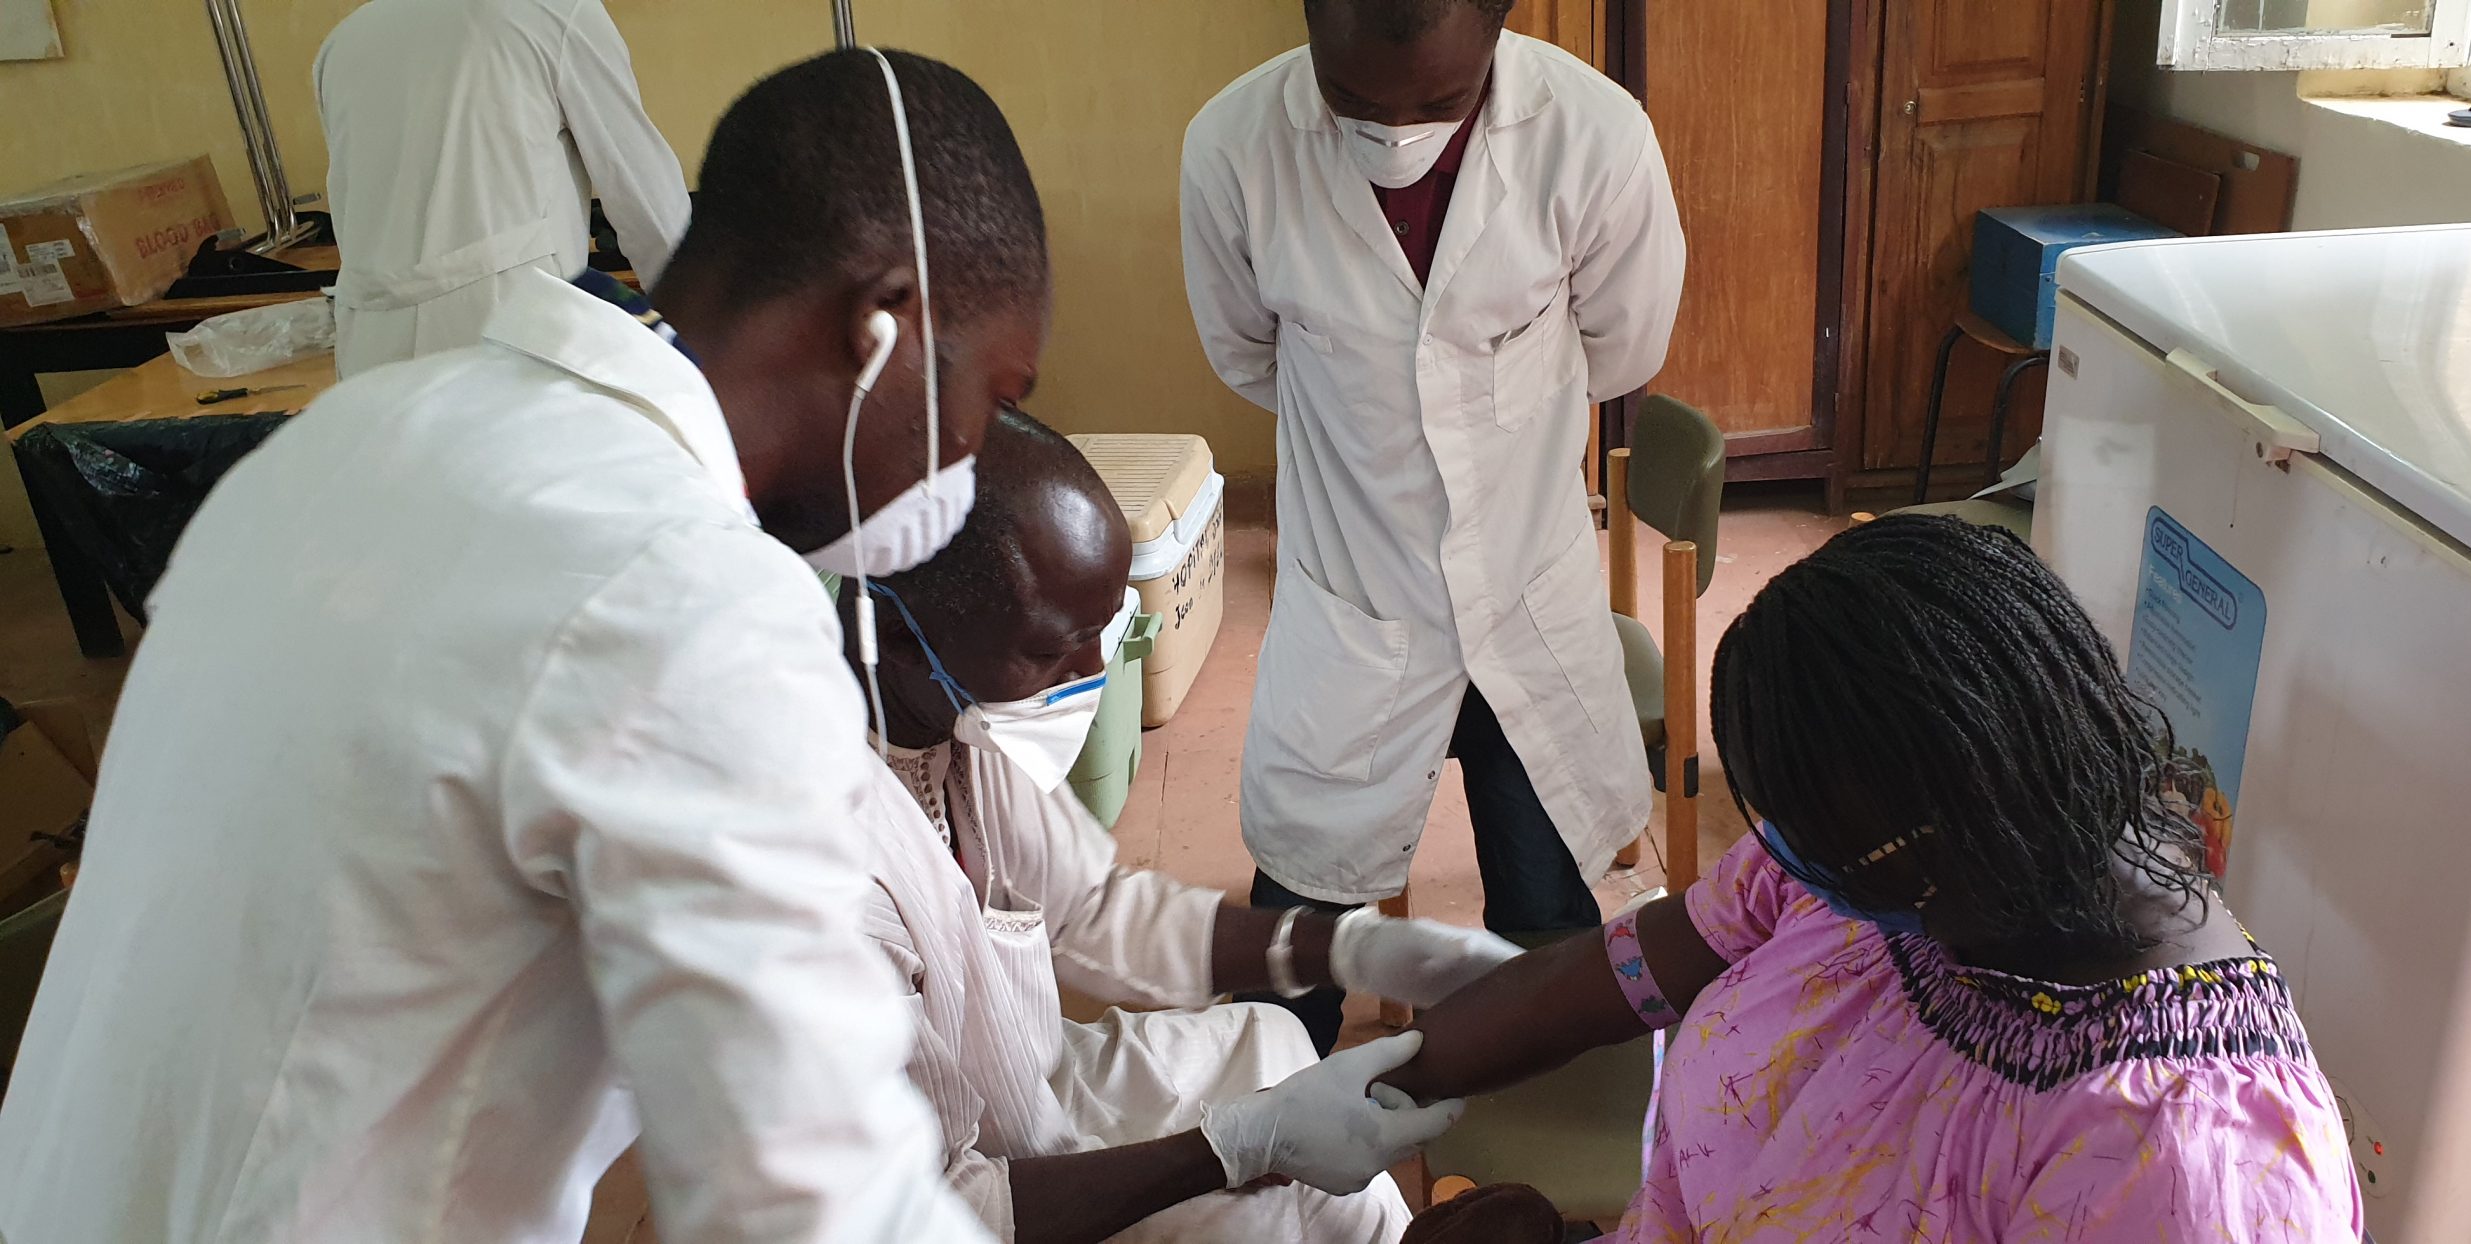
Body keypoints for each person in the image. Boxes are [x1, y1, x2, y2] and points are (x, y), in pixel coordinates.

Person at [0, 49, 1041, 1244]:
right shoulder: (690, 595)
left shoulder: (357, 442)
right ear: (882, 324)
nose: (972, 456)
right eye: (996, 397)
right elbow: (814, 1197)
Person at [1374, 516, 2365, 1241]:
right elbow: (1612, 976)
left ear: (1949, 828)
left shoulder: (2191, 1180)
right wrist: (1357, 1090)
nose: (1781, 859)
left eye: (1813, 838)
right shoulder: (1902, 861)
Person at [850, 408, 1521, 1243]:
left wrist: (1342, 948)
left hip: (1034, 1085)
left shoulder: (952, 728)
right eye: (1055, 649)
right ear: (904, 643)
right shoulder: (834, 896)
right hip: (969, 1203)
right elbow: (938, 1209)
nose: (1093, 673)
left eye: (1104, 630)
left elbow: (1098, 913)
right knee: (1287, 1213)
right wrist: (1234, 1149)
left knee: (1273, 1036)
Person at [1180, 0, 1687, 1052]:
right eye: (1353, 100)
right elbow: (1244, 353)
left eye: (1442, 102)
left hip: (1524, 595)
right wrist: (1385, 430)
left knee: (1544, 928)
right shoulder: (1231, 148)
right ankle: (1275, 1175)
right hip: (1354, 610)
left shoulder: (1594, 138)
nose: (1395, 133)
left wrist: (1475, 411)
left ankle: (1547, 1181)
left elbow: (1623, 344)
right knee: (1296, 939)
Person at [315, 0, 691, 376]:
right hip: (511, 336)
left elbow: (352, 217)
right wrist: (704, 332)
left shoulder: (343, 43)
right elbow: (650, 209)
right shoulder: (554, 11)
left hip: (369, 353)